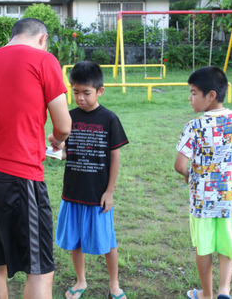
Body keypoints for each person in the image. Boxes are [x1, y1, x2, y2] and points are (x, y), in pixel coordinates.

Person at [0, 18, 71, 299]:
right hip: (20, 176)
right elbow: (64, 125)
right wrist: (57, 142)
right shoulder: (43, 59)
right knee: (39, 269)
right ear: (43, 39)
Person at [174, 66, 232, 299]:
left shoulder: (194, 126)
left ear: (210, 95)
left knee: (204, 247)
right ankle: (224, 290)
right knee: (228, 244)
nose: (189, 99)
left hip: (202, 200)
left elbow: (180, 165)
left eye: (193, 93)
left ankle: (206, 295)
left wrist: (191, 177)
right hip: (231, 197)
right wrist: (227, 171)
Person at [55, 61, 129, 299]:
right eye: (75, 92)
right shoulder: (68, 117)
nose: (80, 98)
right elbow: (64, 153)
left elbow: (115, 157)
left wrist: (110, 192)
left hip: (98, 194)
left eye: (86, 93)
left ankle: (114, 284)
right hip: (73, 191)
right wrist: (57, 147)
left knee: (108, 242)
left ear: (100, 91)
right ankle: (80, 280)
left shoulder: (109, 118)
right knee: (75, 240)